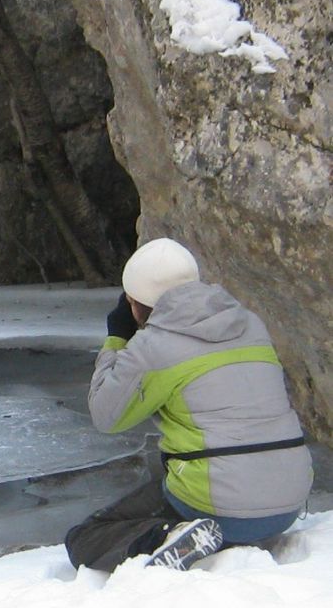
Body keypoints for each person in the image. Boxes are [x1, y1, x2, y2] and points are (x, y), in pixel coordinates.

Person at [65, 237, 313, 571]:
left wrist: (117, 338)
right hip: (288, 503)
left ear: (133, 303)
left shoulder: (155, 346)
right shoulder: (250, 324)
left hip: (221, 507)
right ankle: (204, 530)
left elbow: (107, 415)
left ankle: (171, 535)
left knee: (86, 537)